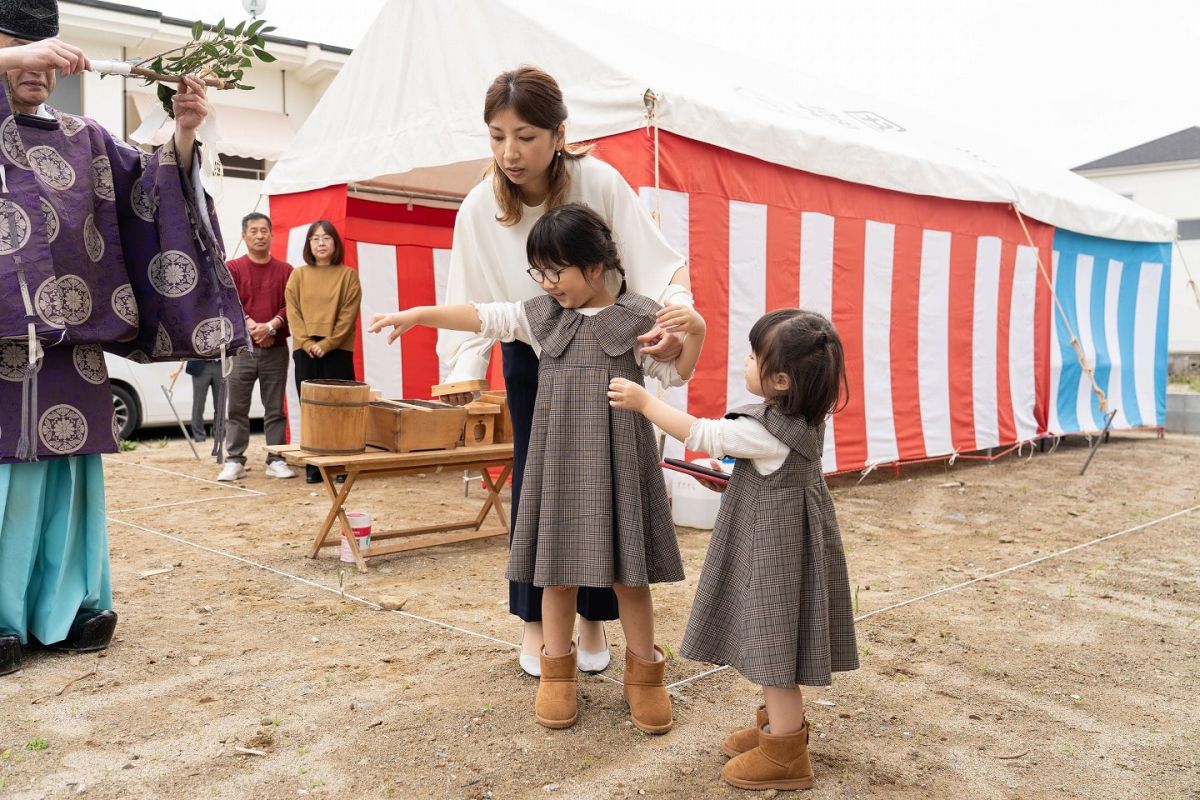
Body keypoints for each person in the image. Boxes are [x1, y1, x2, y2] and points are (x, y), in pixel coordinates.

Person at [372, 204, 706, 732]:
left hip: (621, 467)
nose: (547, 283)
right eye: (540, 272)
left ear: (594, 268)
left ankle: (645, 676)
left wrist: (698, 333)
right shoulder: (542, 317)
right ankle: (557, 674)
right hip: (560, 471)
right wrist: (418, 316)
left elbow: (678, 373)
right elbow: (483, 315)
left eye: (556, 271)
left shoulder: (638, 317)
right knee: (556, 576)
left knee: (629, 579)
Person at [0, 1, 249, 676]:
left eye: (44, 51)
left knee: (71, 483)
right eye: (18, 49)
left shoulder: (84, 139)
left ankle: (74, 606)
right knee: (6, 484)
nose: (37, 68)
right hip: (0, 349)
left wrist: (184, 132)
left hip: (71, 346)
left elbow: (151, 193)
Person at [438, 65, 693, 676]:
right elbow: (472, 293)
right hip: (535, 349)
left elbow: (652, 261)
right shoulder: (479, 206)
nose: (509, 152)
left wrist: (676, 311)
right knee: (539, 482)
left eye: (524, 135)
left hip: (607, 341)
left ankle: (593, 620)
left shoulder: (598, 180)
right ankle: (536, 626)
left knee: (608, 481)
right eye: (497, 136)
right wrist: (463, 366)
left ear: (558, 133)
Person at [608, 309, 860, 790]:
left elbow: (701, 434)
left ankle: (785, 754)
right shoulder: (802, 415)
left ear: (781, 380)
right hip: (788, 545)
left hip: (775, 554)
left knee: (774, 649)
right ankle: (777, 730)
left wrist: (644, 402)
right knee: (777, 641)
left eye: (752, 356)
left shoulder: (765, 431)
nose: (745, 363)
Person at [218, 212, 296, 481]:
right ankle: (235, 460)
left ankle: (275, 458)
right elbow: (229, 301)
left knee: (275, 407)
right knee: (236, 408)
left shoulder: (287, 271)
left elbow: (291, 306)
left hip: (275, 348)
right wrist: (252, 326)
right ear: (244, 235)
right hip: (241, 349)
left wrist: (271, 326)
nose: (260, 235)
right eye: (254, 231)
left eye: (264, 230)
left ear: (272, 235)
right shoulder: (233, 268)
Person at [284, 220, 361, 483]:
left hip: (337, 350)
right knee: (311, 409)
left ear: (335, 243)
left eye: (326, 238)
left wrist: (327, 343)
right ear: (308, 245)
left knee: (340, 409)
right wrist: (307, 343)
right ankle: (314, 468)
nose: (320, 243)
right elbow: (292, 312)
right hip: (304, 350)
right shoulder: (298, 275)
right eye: (315, 239)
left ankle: (340, 465)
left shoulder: (348, 275)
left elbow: (348, 315)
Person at [185, 359, 222, 444]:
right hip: (199, 364)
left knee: (221, 404)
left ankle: (219, 436)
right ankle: (199, 437)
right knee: (198, 404)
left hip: (220, 364)